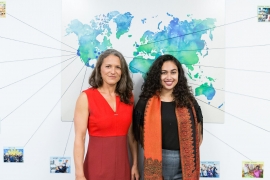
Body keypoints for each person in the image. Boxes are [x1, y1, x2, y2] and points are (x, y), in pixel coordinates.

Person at [133, 54, 203, 180]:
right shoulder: (146, 101)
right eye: (164, 73)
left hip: (185, 165)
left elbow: (198, 127)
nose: (169, 77)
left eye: (173, 72)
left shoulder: (189, 101)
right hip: (156, 161)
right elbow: (136, 132)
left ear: (179, 75)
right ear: (157, 76)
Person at [74, 49, 139, 180]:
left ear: (122, 72)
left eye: (118, 67)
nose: (113, 71)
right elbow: (79, 139)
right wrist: (79, 174)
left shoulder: (129, 97)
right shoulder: (86, 97)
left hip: (122, 168)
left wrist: (135, 165)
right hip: (95, 169)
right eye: (108, 66)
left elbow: (131, 135)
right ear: (99, 69)